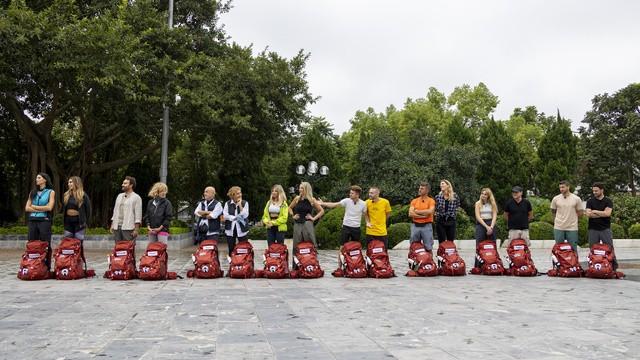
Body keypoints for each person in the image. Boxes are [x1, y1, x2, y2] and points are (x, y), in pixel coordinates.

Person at [319, 185, 367, 268]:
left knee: (356, 248)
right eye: (350, 193)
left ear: (357, 194)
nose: (350, 194)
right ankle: (339, 267)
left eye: (352, 193)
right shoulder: (347, 201)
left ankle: (357, 265)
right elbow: (334, 205)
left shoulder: (363, 204)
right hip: (346, 227)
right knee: (342, 247)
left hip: (356, 228)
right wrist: (322, 203)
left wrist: (368, 223)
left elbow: (366, 215)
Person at [24, 172, 56, 270]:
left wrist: (34, 207)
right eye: (37, 178)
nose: (37, 179)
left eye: (39, 178)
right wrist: (40, 208)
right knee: (31, 243)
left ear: (45, 180)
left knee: (45, 243)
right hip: (32, 220)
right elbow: (27, 208)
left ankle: (46, 266)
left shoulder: (51, 192)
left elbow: (49, 207)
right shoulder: (32, 192)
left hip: (44, 220)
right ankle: (33, 265)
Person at [288, 182, 324, 268]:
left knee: (310, 244)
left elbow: (321, 211)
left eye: (302, 188)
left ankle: (312, 264)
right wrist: (293, 216)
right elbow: (289, 208)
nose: (300, 190)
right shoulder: (297, 199)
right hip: (297, 224)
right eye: (300, 188)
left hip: (308, 224)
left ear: (306, 189)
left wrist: (314, 218)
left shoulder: (312, 200)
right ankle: (296, 267)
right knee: (296, 245)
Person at [586, 182, 617, 269]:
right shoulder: (590, 201)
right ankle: (593, 265)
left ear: (602, 190)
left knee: (609, 248)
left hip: (605, 228)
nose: (594, 192)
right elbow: (588, 214)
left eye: (596, 191)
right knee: (592, 249)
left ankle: (613, 266)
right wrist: (601, 213)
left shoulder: (608, 201)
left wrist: (595, 211)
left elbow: (608, 214)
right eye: (593, 191)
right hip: (593, 229)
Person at [550, 180, 584, 252]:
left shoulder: (576, 199)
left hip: (572, 227)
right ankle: (559, 262)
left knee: (573, 248)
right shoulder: (556, 198)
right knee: (558, 247)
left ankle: (574, 263)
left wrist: (573, 218)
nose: (561, 189)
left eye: (563, 187)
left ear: (568, 187)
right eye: (560, 187)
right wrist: (556, 221)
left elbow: (581, 212)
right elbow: (553, 211)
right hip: (559, 227)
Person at [110, 176, 143, 242]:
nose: (122, 185)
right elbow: (115, 211)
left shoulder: (136, 197)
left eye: (125, 183)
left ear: (131, 185)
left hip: (128, 228)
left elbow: (138, 215)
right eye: (123, 183)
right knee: (118, 249)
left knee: (128, 249)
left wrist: (136, 229)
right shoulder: (119, 196)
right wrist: (112, 225)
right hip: (117, 227)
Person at [474, 188, 498, 268]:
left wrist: (491, 226)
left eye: (485, 194)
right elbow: (478, 216)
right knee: (479, 245)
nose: (483, 195)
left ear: (488, 196)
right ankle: (478, 265)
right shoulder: (478, 203)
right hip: (481, 224)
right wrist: (486, 227)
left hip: (491, 223)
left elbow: (494, 215)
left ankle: (493, 262)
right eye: (482, 193)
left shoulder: (492, 204)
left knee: (492, 244)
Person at [408, 182, 436, 251]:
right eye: (419, 188)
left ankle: (429, 261)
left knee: (428, 247)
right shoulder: (414, 201)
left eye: (422, 189)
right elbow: (410, 214)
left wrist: (417, 211)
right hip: (415, 226)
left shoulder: (431, 201)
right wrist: (423, 216)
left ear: (427, 191)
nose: (419, 190)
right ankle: (414, 260)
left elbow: (430, 211)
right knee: (413, 246)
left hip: (426, 226)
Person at [62, 176, 91, 241]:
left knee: (78, 242)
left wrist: (86, 222)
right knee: (68, 242)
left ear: (76, 183)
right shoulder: (66, 195)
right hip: (68, 222)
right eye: (68, 182)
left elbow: (88, 210)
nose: (69, 184)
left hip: (79, 223)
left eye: (71, 182)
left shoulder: (83, 195)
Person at [223, 186, 249, 254]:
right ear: (233, 195)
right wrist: (234, 218)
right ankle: (232, 263)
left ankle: (243, 263)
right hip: (230, 228)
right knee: (231, 248)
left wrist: (240, 205)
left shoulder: (245, 203)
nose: (240, 195)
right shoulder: (227, 203)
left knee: (243, 248)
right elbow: (225, 215)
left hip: (242, 228)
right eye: (237, 193)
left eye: (240, 193)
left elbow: (245, 215)